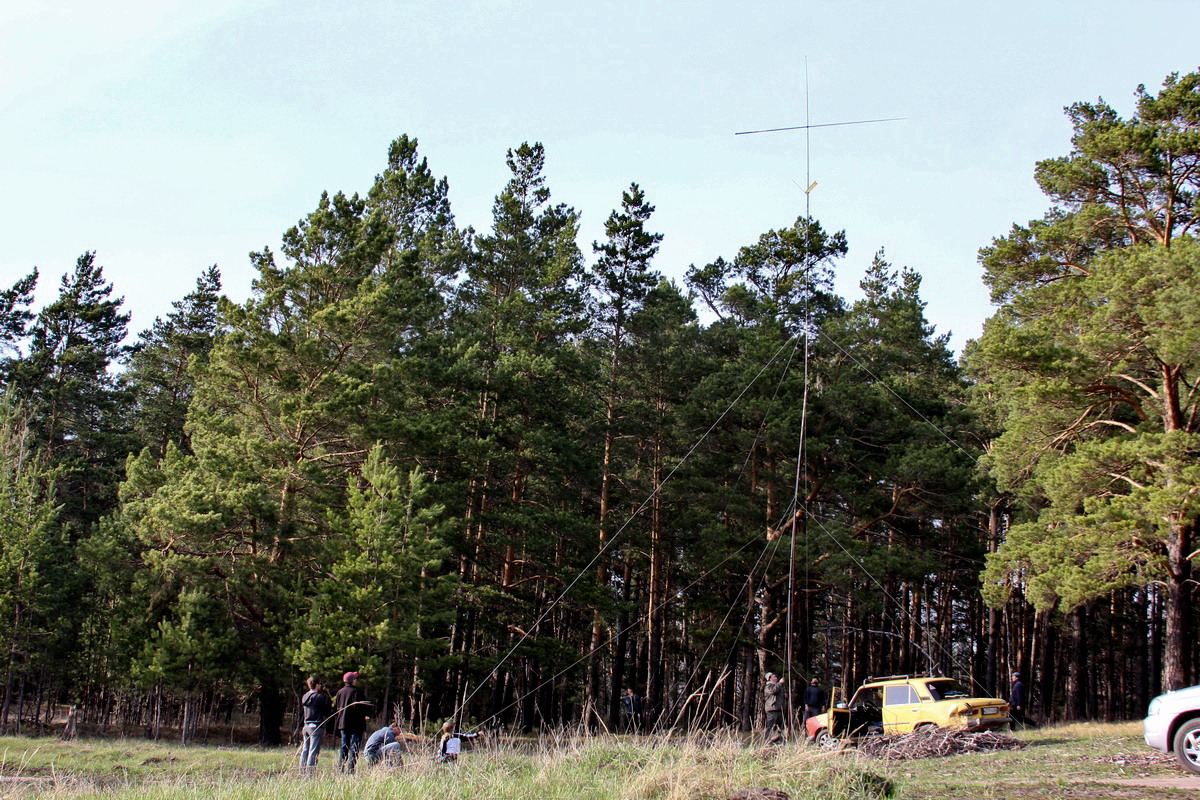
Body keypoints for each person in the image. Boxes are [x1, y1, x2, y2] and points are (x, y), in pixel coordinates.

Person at [333, 671, 372, 773]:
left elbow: (336, 708)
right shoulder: (358, 692)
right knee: (354, 746)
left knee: (344, 746)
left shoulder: (340, 692)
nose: (356, 680)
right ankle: (351, 769)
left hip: (343, 724)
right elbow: (365, 707)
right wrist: (366, 715)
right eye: (355, 679)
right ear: (353, 681)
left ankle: (340, 768)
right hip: (356, 724)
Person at [298, 676, 330, 777]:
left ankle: (302, 772)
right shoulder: (319, 697)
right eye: (319, 684)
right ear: (316, 685)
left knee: (305, 750)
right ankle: (309, 774)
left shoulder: (304, 696)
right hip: (316, 726)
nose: (320, 686)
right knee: (313, 751)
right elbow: (325, 711)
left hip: (306, 726)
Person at [764, 672, 785, 744]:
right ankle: (767, 742)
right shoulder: (768, 687)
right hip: (772, 709)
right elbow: (774, 691)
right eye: (774, 676)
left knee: (781, 727)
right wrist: (780, 683)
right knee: (770, 727)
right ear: (770, 678)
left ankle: (780, 741)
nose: (776, 677)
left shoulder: (777, 686)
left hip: (779, 709)